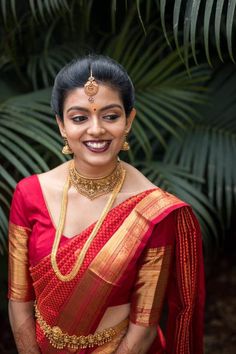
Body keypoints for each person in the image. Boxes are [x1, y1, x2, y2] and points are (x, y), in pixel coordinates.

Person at [8, 55, 205, 354]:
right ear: (61, 125)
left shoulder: (152, 210)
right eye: (79, 118)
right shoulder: (29, 193)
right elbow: (19, 299)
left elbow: (144, 327)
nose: (96, 129)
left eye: (111, 116)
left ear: (129, 120)